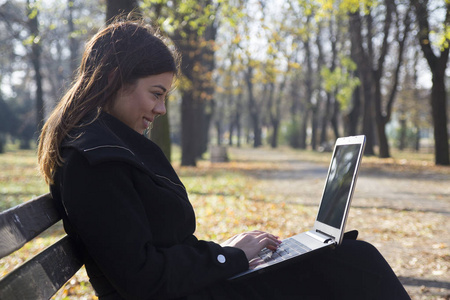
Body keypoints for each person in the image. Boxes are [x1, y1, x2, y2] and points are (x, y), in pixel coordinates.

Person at [38, 19, 410, 300]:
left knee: (346, 258)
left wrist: (226, 252)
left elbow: (156, 253)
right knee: (354, 261)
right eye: (155, 93)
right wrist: (229, 258)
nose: (161, 108)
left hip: (194, 290)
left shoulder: (108, 146)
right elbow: (143, 278)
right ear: (115, 79)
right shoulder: (94, 161)